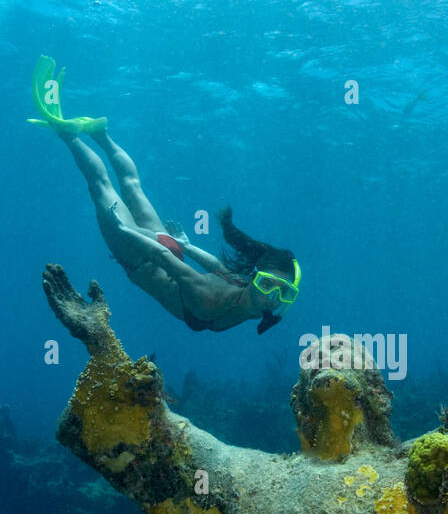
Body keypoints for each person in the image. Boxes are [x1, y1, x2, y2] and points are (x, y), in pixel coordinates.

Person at [28, 56, 300, 335]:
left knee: (133, 185)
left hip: (168, 247)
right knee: (100, 186)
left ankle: (101, 134)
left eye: (284, 294)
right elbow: (161, 256)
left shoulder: (241, 284)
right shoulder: (211, 301)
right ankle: (69, 135)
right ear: (255, 278)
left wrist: (186, 244)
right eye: (268, 285)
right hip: (142, 258)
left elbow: (216, 266)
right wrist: (124, 230)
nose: (272, 299)